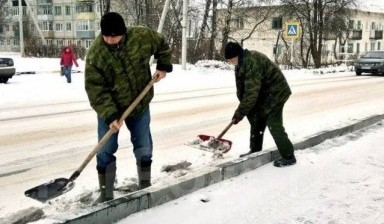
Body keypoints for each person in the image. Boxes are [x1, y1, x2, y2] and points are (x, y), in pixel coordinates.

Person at [84, 12, 172, 204]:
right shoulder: (96, 54)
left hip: (139, 105)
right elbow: (95, 89)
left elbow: (162, 44)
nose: (110, 40)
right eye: (106, 36)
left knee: (143, 146)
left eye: (114, 36)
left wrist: (163, 65)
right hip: (111, 109)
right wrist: (110, 115)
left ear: (123, 32)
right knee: (105, 149)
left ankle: (145, 184)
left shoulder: (141, 37)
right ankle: (106, 193)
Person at [224, 42, 296, 167]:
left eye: (231, 59)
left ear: (237, 55)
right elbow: (243, 88)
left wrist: (240, 113)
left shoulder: (252, 62)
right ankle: (255, 151)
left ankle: (289, 156)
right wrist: (245, 109)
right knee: (256, 121)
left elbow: (251, 93)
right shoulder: (241, 62)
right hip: (264, 95)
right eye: (228, 60)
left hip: (276, 93)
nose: (230, 62)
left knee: (274, 124)